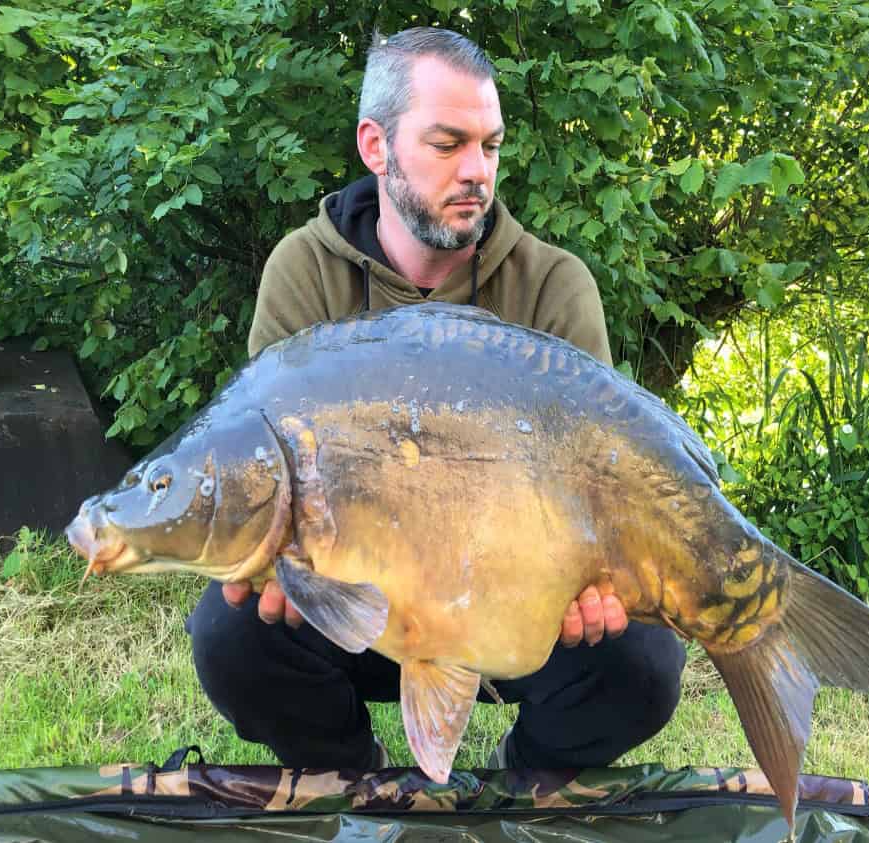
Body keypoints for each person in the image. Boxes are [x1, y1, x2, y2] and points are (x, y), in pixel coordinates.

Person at [187, 27, 685, 774]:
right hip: (356, 610)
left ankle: (524, 779)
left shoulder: (553, 286)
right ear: (376, 145)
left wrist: (597, 579)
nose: (477, 171)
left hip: (511, 609)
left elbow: (600, 487)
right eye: (448, 144)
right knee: (229, 633)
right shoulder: (303, 273)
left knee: (645, 659)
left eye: (489, 146)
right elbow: (267, 474)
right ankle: (356, 774)